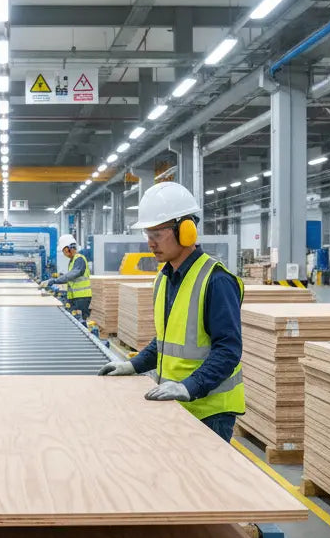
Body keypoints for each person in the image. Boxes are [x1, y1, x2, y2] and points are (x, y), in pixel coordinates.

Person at [97, 181, 244, 443]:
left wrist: (189, 387)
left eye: (157, 234)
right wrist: (132, 365)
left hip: (210, 412)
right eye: (147, 234)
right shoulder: (164, 279)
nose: (150, 243)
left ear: (186, 231)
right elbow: (165, 342)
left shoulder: (216, 280)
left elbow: (228, 350)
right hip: (176, 402)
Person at [43, 234, 92, 318]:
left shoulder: (79, 258)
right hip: (76, 296)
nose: (64, 253)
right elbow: (72, 277)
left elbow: (73, 274)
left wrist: (55, 281)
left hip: (82, 297)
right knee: (75, 318)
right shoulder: (73, 260)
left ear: (69, 248)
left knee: (81, 320)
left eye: (64, 251)